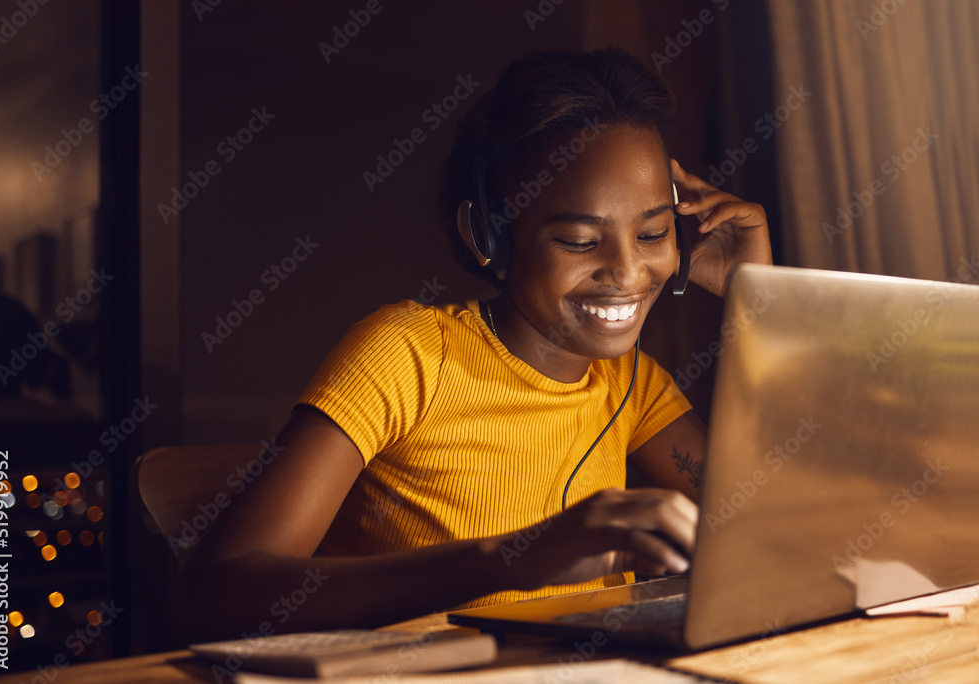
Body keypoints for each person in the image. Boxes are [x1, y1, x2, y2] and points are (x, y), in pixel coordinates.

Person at [172, 48, 772, 641]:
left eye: (652, 234)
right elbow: (218, 593)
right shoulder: (407, 354)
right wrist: (515, 557)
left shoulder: (631, 385)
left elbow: (772, 526)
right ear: (490, 237)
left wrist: (760, 301)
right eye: (579, 242)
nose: (628, 271)